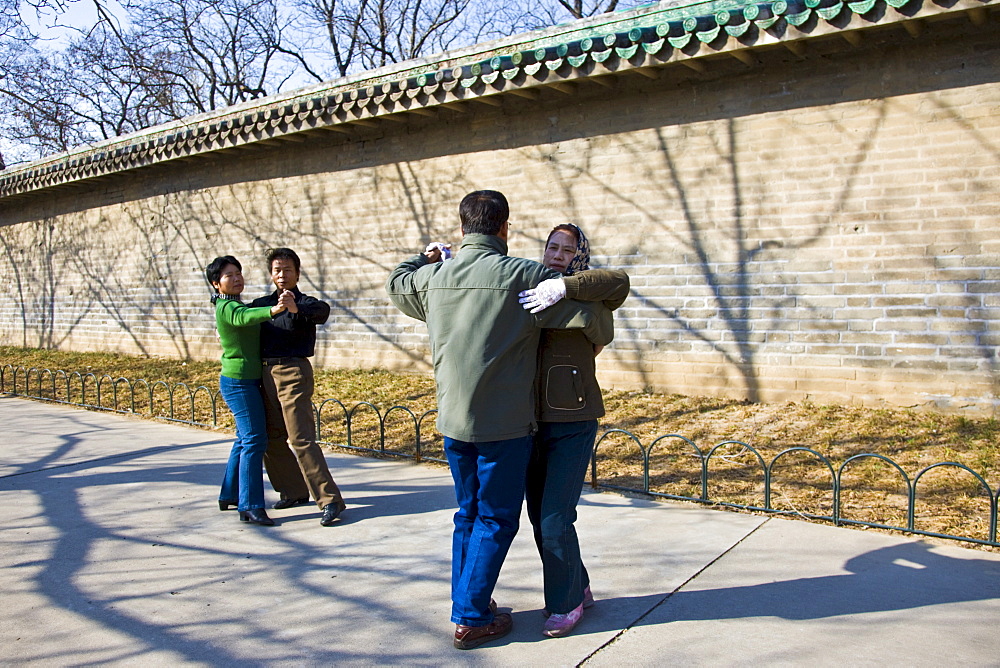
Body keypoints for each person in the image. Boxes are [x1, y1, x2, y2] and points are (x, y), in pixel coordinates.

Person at [385, 190, 616, 650]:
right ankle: (471, 615)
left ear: (463, 228)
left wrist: (426, 256)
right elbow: (593, 317)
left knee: (467, 515)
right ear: (505, 227)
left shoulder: (435, 277)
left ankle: (469, 601)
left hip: (452, 420)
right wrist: (581, 311)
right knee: (494, 519)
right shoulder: (524, 276)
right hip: (504, 427)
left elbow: (397, 282)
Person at [517, 224, 629, 638]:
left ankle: (565, 604)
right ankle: (578, 585)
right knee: (538, 513)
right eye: (553, 246)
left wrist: (565, 288)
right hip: (529, 421)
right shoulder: (527, 282)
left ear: (578, 255)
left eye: (568, 249)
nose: (558, 254)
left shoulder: (592, 292)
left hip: (574, 420)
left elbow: (620, 281)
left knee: (555, 517)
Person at [249, 248, 347, 527]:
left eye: (288, 269)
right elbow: (239, 318)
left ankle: (330, 500)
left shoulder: (307, 303)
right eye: (277, 270)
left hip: (293, 371)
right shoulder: (261, 304)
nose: (282, 274)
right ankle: (293, 491)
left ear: (297, 273)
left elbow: (322, 312)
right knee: (272, 437)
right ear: (271, 274)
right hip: (265, 373)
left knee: (300, 437)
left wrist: (295, 308)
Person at [207, 255, 294, 526]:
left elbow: (246, 313)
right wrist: (273, 311)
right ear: (216, 284)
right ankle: (250, 505)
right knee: (255, 440)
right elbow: (244, 317)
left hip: (248, 380)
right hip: (238, 382)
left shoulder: (234, 303)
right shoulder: (226, 307)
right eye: (228, 275)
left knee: (244, 439)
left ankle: (230, 493)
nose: (236, 278)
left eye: (238, 273)